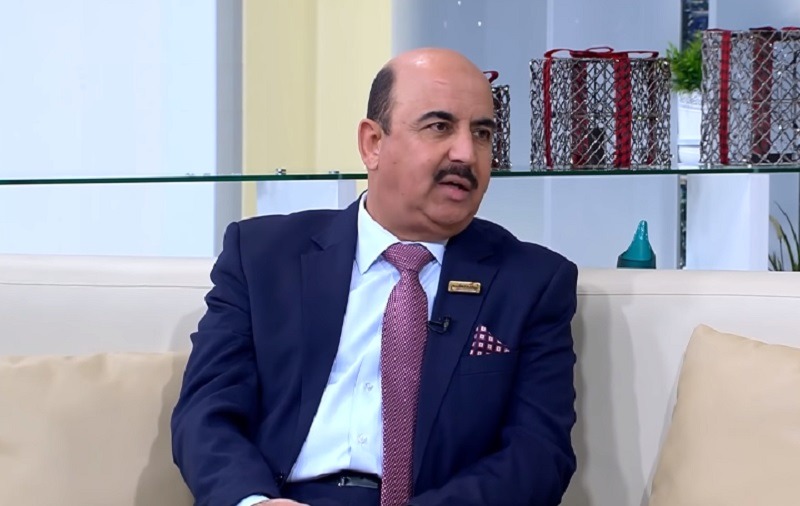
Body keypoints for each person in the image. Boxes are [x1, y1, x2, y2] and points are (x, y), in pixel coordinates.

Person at [171, 47, 578, 506]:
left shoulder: (531, 282)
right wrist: (254, 502)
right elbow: (206, 413)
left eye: (482, 133)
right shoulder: (263, 256)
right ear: (372, 144)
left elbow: (537, 457)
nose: (466, 153)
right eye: (439, 127)